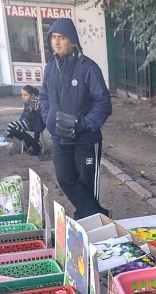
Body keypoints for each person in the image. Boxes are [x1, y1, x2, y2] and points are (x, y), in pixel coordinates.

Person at [39, 18, 112, 220]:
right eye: (53, 37)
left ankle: (89, 222)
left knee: (87, 184)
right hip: (59, 139)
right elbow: (43, 97)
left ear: (72, 41)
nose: (56, 42)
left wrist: (84, 124)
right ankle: (100, 216)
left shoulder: (88, 68)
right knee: (65, 179)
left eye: (61, 37)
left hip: (85, 140)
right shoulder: (50, 68)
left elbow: (103, 103)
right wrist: (48, 119)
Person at [5, 85, 45, 155]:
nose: (23, 96)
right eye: (22, 95)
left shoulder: (39, 103)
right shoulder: (27, 102)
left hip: (36, 124)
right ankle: (33, 144)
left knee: (12, 127)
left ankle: (33, 145)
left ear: (32, 95)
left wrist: (36, 135)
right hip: (28, 122)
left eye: (25, 95)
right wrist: (19, 123)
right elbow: (24, 115)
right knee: (12, 127)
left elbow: (40, 120)